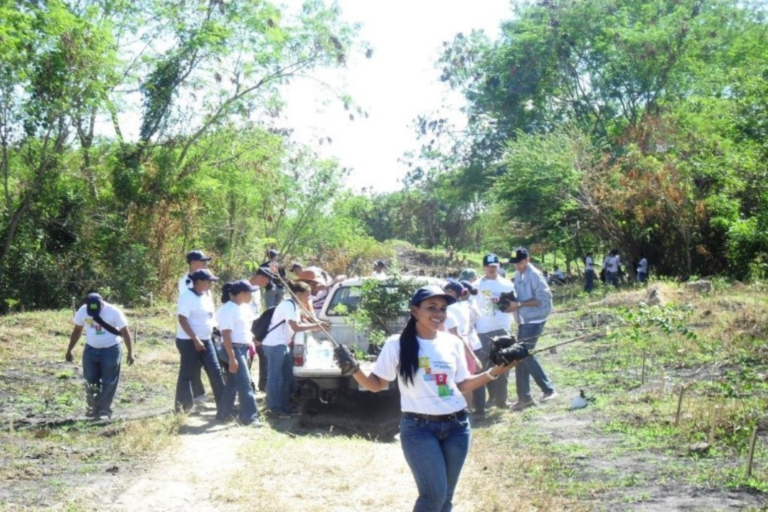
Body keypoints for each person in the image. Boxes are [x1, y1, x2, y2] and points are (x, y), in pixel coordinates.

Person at [341, 286, 517, 511]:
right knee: (433, 496)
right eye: (431, 307)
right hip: (418, 428)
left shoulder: (452, 343)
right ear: (415, 311)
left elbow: (462, 384)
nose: (438, 314)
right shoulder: (397, 344)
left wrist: (494, 372)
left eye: (443, 309)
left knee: (445, 498)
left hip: (458, 426)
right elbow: (376, 385)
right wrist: (353, 368)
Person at [261, 281, 326, 417]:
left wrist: (317, 324)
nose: (309, 298)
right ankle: (274, 408)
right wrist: (317, 327)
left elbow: (298, 323)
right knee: (276, 377)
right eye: (307, 295)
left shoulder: (294, 306)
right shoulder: (288, 305)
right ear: (298, 294)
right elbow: (295, 327)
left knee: (287, 377)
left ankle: (285, 407)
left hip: (282, 344)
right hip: (274, 344)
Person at [66, 293, 135, 419]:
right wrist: (69, 349)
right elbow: (77, 330)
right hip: (90, 349)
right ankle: (93, 407)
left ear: (102, 304)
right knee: (90, 379)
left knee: (109, 380)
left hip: (111, 349)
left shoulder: (113, 311)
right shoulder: (83, 311)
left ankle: (104, 410)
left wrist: (131, 352)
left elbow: (125, 332)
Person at [504, 248, 556, 411]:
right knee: (519, 357)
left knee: (523, 354)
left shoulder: (535, 275)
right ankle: (524, 397)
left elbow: (543, 300)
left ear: (528, 259)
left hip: (535, 318)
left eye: (520, 263)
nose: (518, 266)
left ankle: (548, 389)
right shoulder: (519, 275)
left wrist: (519, 304)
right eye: (515, 264)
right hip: (524, 319)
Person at [174, 269, 224, 414]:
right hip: (188, 341)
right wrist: (195, 339)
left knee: (215, 371)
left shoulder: (205, 297)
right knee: (187, 373)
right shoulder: (187, 297)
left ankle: (224, 407)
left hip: (206, 339)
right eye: (208, 281)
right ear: (198, 282)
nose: (210, 284)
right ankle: (183, 408)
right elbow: (182, 319)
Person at [472, 253, 515, 416]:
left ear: (499, 267)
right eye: (489, 266)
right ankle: (483, 402)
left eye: (494, 266)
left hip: (502, 328)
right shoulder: (476, 286)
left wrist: (506, 306)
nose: (491, 269)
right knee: (484, 367)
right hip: (482, 330)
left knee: (504, 365)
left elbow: (512, 305)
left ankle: (501, 399)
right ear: (484, 267)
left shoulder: (507, 284)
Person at [216, 280, 261, 426]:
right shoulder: (228, 310)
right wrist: (232, 358)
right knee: (245, 383)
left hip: (242, 347)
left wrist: (251, 339)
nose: (251, 296)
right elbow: (226, 335)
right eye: (250, 293)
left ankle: (223, 413)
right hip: (233, 348)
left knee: (233, 383)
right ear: (242, 293)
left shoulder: (242, 307)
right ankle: (249, 417)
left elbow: (243, 328)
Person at [178, 249, 212, 402]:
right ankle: (197, 394)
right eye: (202, 261)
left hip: (205, 325)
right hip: (192, 329)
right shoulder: (187, 282)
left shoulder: (205, 277)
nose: (205, 264)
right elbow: (187, 310)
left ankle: (200, 393)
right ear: (192, 263)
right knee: (193, 364)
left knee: (206, 363)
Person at [443, 281, 482, 409]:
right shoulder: (464, 305)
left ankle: (463, 411)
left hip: (455, 348)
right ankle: (470, 410)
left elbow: (456, 335)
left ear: (451, 292)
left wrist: (472, 357)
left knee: (455, 381)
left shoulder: (449, 310)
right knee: (465, 381)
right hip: (467, 343)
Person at [248, 265, 276, 392]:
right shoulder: (244, 289)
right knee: (248, 356)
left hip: (256, 325)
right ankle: (246, 384)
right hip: (246, 327)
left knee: (263, 354)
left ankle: (263, 384)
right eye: (266, 279)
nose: (268, 282)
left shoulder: (258, 290)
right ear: (260, 276)